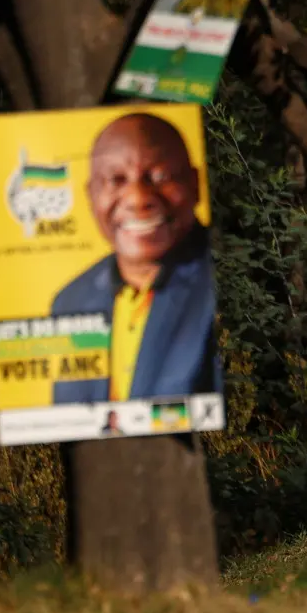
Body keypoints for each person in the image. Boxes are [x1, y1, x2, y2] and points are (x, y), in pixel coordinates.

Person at [51, 113, 219, 404]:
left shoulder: (230, 279)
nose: (138, 197)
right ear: (91, 195)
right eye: (116, 180)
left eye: (160, 176)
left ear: (195, 183)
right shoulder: (69, 303)